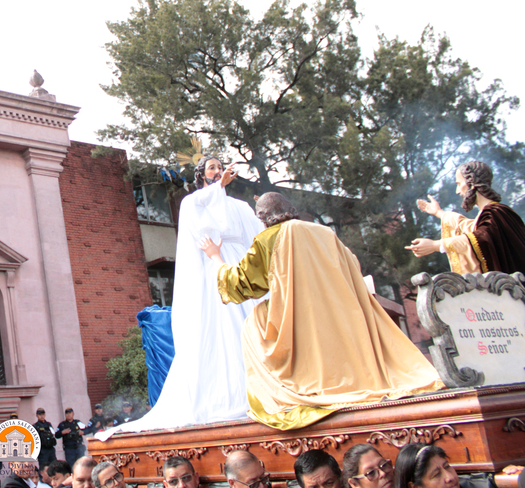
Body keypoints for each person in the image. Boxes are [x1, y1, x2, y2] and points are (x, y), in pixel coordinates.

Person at [206, 192, 444, 430]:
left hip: (301, 323)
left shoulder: (269, 238)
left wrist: (216, 257)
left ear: (262, 217)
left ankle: (294, 387)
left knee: (255, 322)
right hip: (342, 318)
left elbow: (240, 285)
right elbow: (353, 265)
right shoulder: (323, 232)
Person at [113, 157, 262, 435]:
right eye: (212, 169)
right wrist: (218, 188)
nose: (218, 172)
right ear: (201, 176)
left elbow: (257, 235)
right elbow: (201, 214)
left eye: (220, 167)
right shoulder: (193, 202)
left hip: (239, 263)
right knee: (222, 329)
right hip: (213, 267)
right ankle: (230, 394)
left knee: (254, 323)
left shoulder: (240, 207)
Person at [409, 161, 525, 275]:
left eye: (459, 184)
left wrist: (436, 245)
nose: (457, 191)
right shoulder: (488, 215)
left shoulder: (497, 211)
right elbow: (467, 227)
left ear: (472, 183)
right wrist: (439, 213)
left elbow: (481, 238)